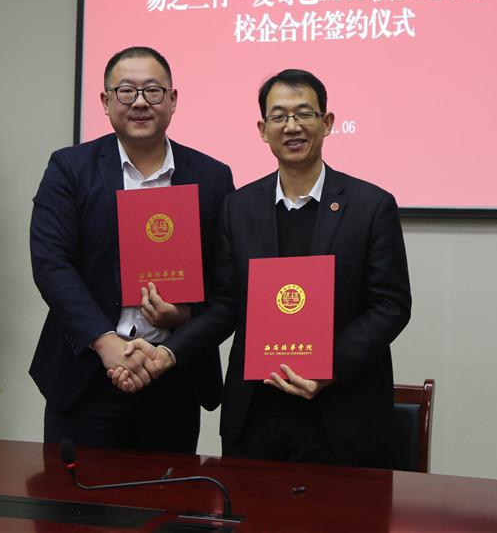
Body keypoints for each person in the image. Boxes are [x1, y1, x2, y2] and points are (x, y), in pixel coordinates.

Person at [115, 68, 411, 467]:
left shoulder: (371, 206)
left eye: (304, 114)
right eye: (279, 116)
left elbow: (391, 305)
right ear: (262, 129)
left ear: (327, 123)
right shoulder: (239, 208)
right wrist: (168, 352)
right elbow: (225, 305)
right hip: (256, 415)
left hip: (341, 412)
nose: (292, 126)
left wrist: (329, 366)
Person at [29, 46, 234, 453]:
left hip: (173, 376)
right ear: (106, 101)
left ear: (172, 99)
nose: (140, 102)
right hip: (87, 376)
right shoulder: (70, 168)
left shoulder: (211, 177)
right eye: (126, 91)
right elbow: (52, 264)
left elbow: (227, 283)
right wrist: (107, 344)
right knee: (74, 494)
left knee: (168, 492)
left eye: (153, 91)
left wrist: (183, 319)